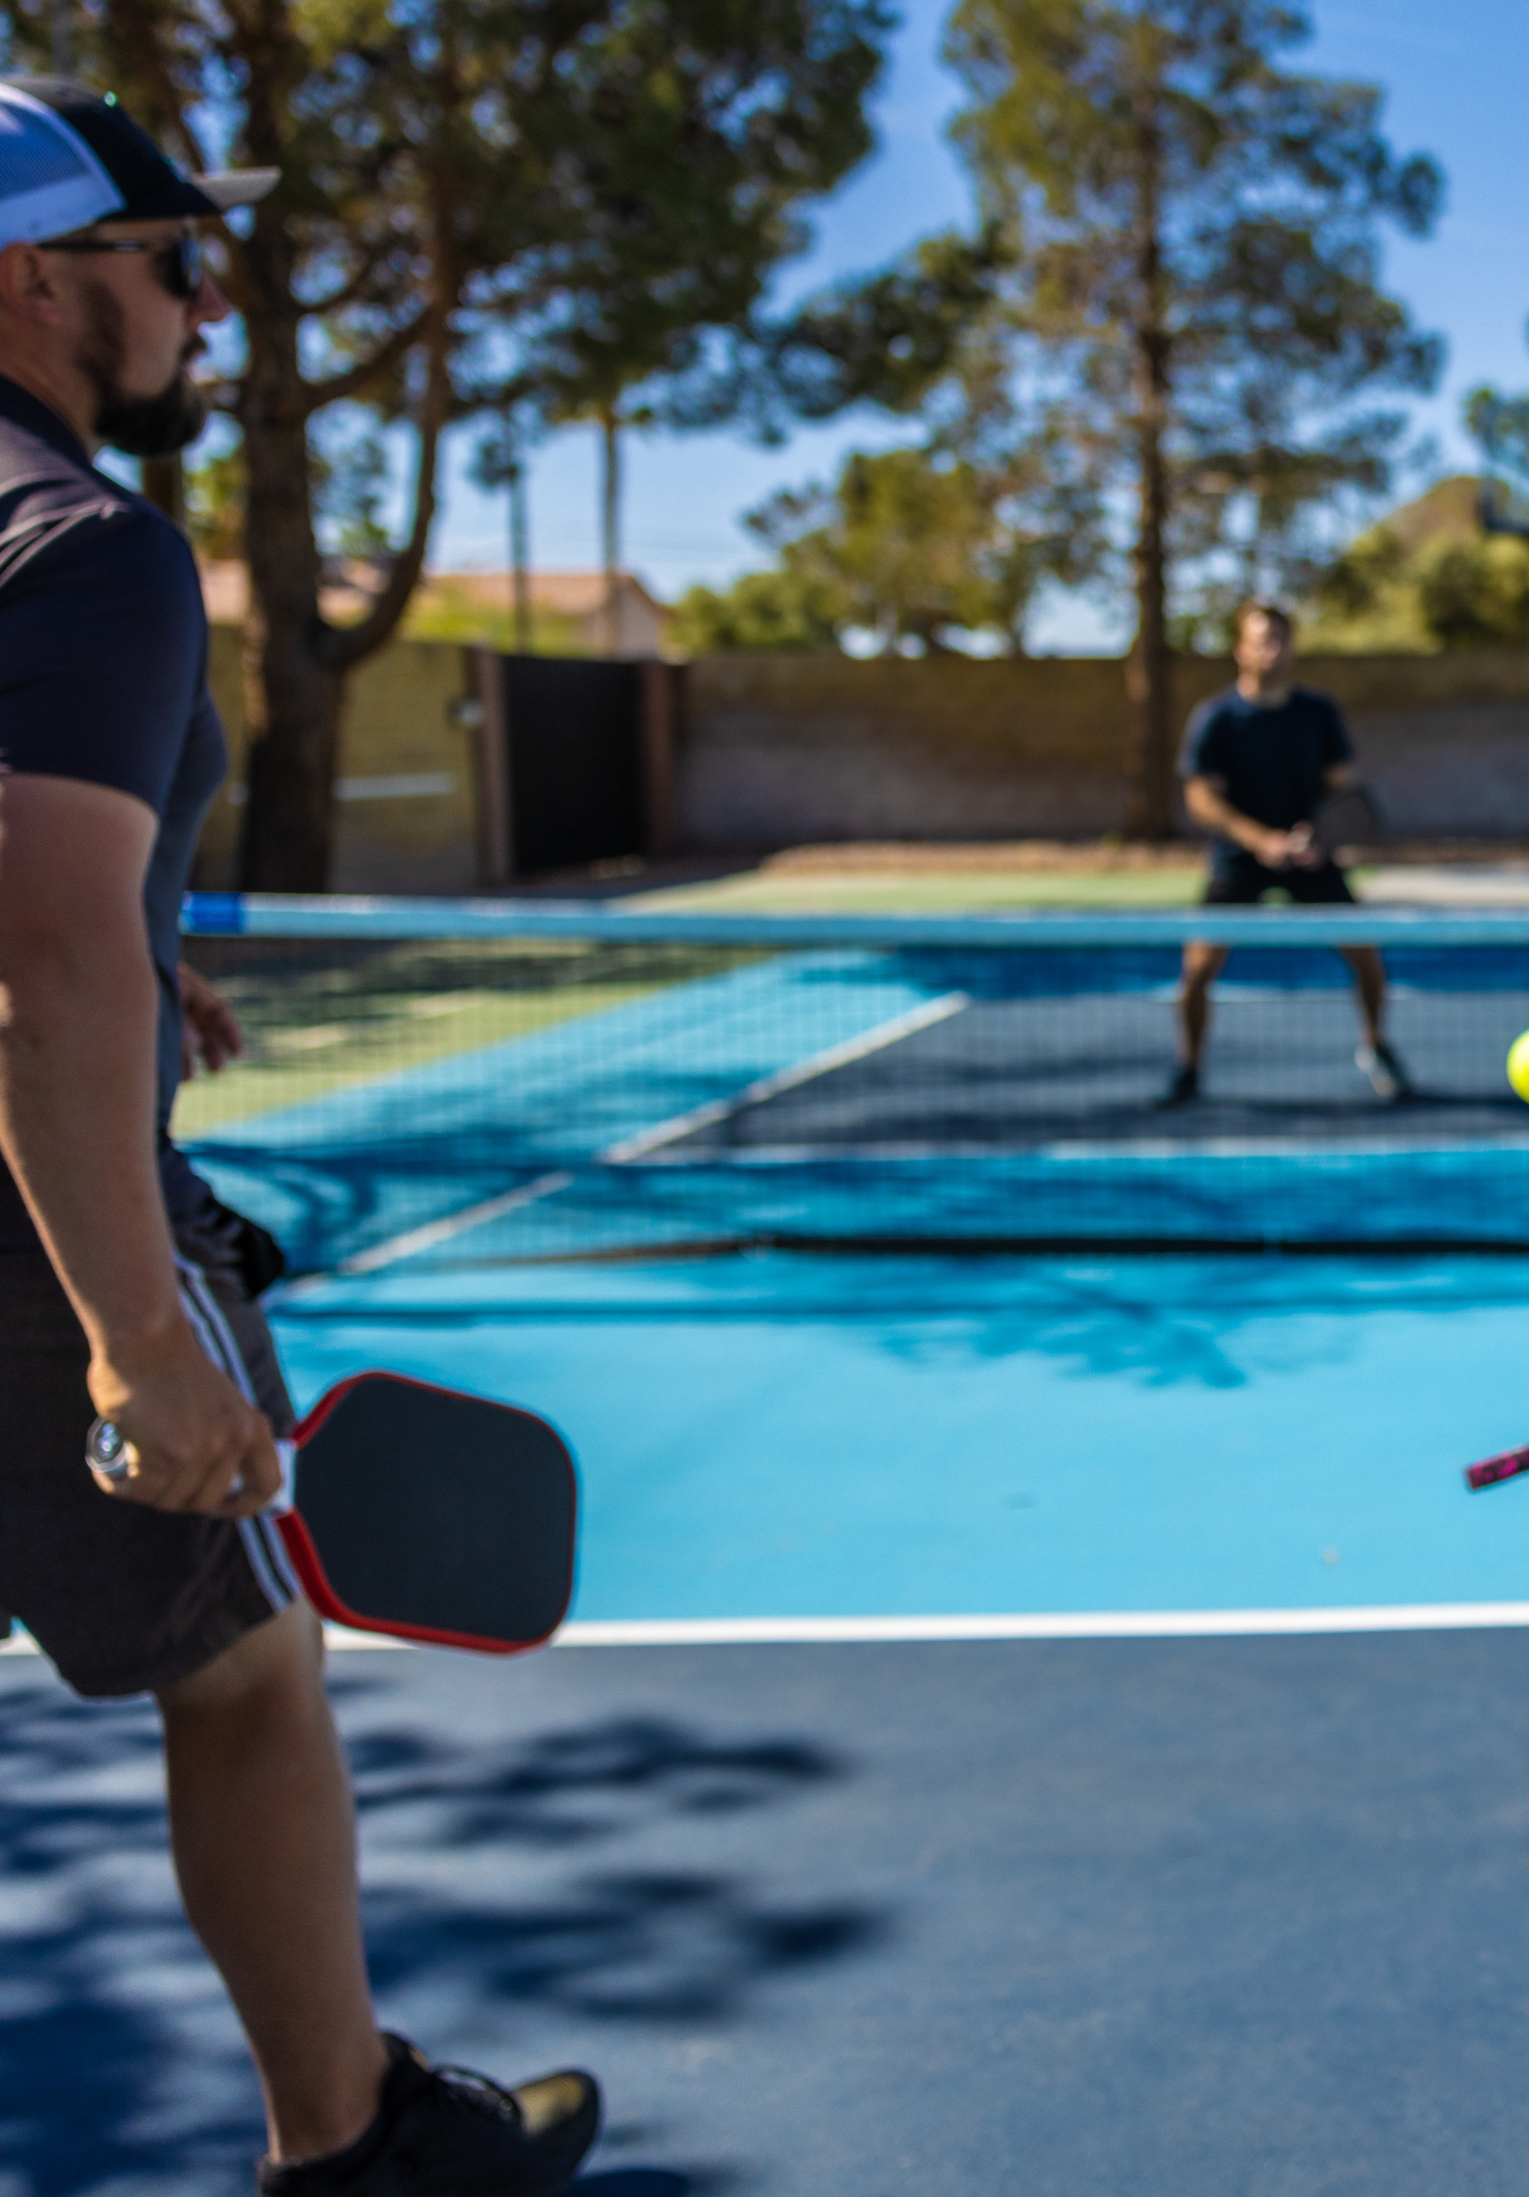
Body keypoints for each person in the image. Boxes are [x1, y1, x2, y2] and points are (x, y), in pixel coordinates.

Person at [0, 79, 600, 2195]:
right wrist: (132, 1329)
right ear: (36, 280)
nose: (201, 305)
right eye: (171, 263)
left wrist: (142, 960)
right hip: (35, 1231)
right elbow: (35, 966)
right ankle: (350, 2150)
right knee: (248, 1668)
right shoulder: (79, 542)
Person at [1165, 600, 1408, 1106]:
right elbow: (1200, 799)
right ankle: (1188, 1069)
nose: (1270, 648)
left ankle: (1376, 1047)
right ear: (1240, 649)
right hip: (1239, 860)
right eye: (1260, 639)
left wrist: (1316, 839)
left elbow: (1343, 789)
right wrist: (1260, 841)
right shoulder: (1217, 718)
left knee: (1366, 957)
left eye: (1279, 638)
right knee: (1195, 972)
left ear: (1292, 648)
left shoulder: (1317, 714)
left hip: (1310, 860)